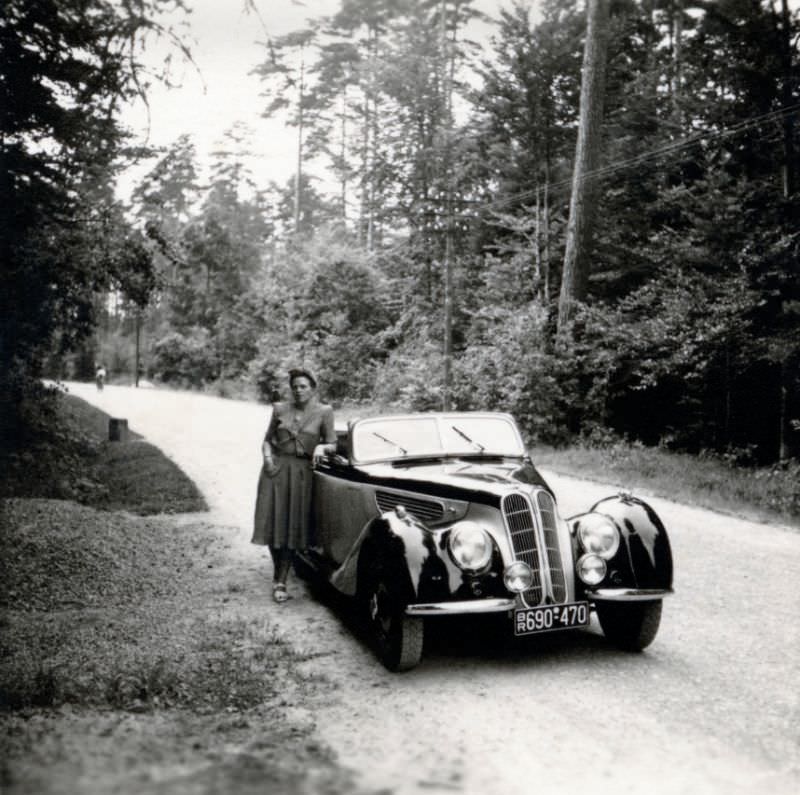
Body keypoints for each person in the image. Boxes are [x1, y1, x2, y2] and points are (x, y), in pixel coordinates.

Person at [252, 368, 336, 603]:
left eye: (304, 386)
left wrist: (321, 447)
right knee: (271, 523)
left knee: (291, 526)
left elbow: (332, 443)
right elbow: (267, 440)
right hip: (275, 470)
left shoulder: (324, 412)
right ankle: (278, 574)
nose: (299, 390)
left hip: (301, 474)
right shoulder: (280, 409)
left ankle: (281, 579)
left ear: (313, 388)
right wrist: (268, 459)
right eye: (295, 386)